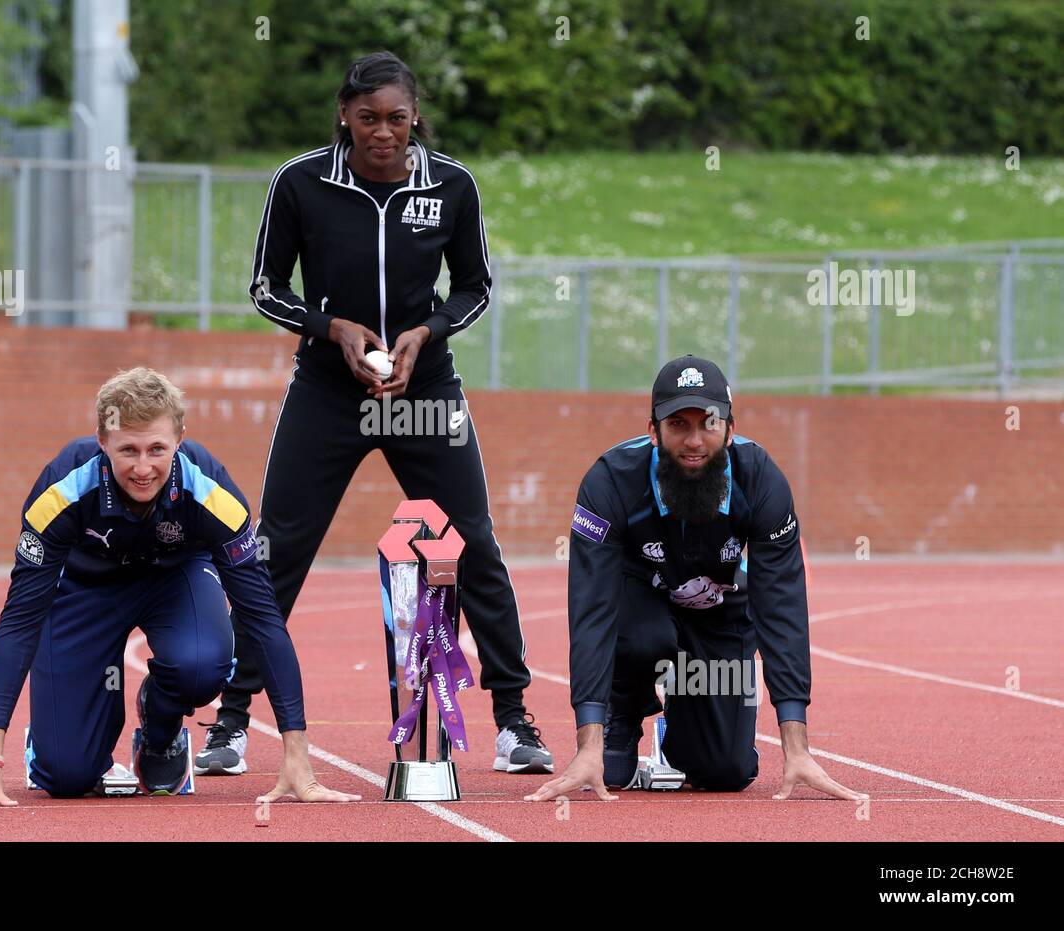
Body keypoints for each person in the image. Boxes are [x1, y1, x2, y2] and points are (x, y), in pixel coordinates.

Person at [207, 49, 552, 776]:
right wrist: (331, 329)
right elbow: (266, 288)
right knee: (278, 548)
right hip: (329, 394)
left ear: (415, 116)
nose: (383, 133)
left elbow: (476, 287)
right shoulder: (300, 182)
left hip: (422, 393)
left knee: (475, 543)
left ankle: (515, 718)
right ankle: (231, 721)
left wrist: (426, 335)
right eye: (367, 118)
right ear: (344, 115)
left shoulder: (452, 185)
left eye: (397, 118)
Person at [0, 368, 357, 808]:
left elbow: (262, 617)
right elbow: (19, 620)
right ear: (102, 440)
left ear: (180, 439)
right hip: (85, 590)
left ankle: (159, 732)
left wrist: (296, 754)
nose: (143, 468)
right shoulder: (61, 489)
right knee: (69, 778)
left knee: (202, 665)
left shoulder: (212, 493)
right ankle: (59, 737)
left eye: (157, 450)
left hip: (175, 581)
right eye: (128, 450)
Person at [527, 355, 866, 802]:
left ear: (729, 427)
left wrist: (796, 746)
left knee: (725, 772)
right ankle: (623, 709)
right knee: (643, 649)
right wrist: (585, 743)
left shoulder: (762, 481)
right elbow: (591, 606)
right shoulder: (609, 481)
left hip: (718, 609)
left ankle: (681, 728)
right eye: (677, 425)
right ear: (654, 430)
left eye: (708, 423)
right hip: (641, 604)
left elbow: (781, 607)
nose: (693, 441)